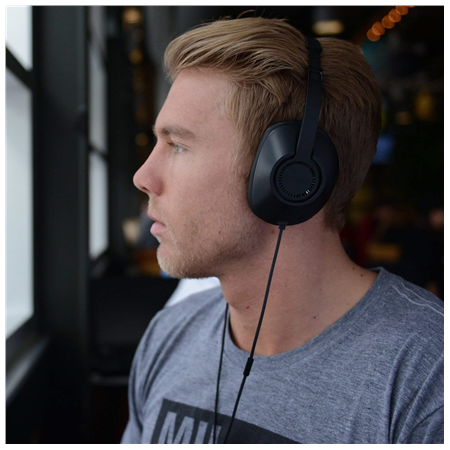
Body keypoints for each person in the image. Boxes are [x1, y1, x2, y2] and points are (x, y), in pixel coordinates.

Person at [121, 17, 443, 444]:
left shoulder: (428, 376)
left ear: (287, 175)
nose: (143, 177)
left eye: (178, 145)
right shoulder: (170, 335)